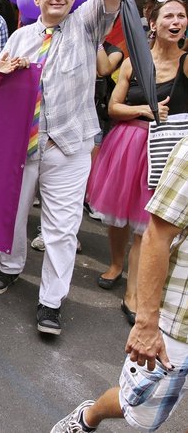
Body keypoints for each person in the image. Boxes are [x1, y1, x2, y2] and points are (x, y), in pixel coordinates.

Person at [0, 0, 131, 336]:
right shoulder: (20, 38)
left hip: (68, 147)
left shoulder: (88, 25)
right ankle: (9, 267)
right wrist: (1, 72)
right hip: (22, 146)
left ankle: (51, 302)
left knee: (63, 230)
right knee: (12, 216)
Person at [52, 135, 188, 433]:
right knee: (138, 409)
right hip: (180, 321)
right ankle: (89, 416)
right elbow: (157, 236)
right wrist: (147, 324)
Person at [86, 0, 188, 327]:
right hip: (127, 145)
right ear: (153, 23)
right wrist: (146, 110)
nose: (176, 22)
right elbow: (113, 108)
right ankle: (116, 264)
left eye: (182, 16)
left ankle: (133, 292)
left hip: (166, 149)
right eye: (169, 16)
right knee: (119, 217)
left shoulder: (186, 62)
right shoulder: (131, 62)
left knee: (148, 225)